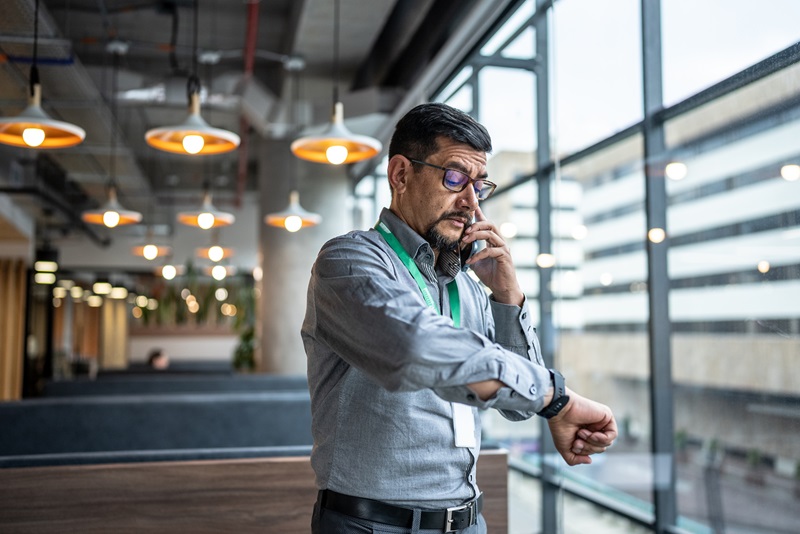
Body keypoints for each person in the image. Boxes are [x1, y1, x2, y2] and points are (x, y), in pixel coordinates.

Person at [301, 102, 617, 533]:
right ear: (400, 175)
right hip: (372, 525)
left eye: (479, 185)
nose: (470, 201)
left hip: (467, 522)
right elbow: (414, 348)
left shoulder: (469, 284)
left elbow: (518, 410)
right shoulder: (351, 261)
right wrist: (555, 397)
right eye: (454, 178)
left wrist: (507, 295)